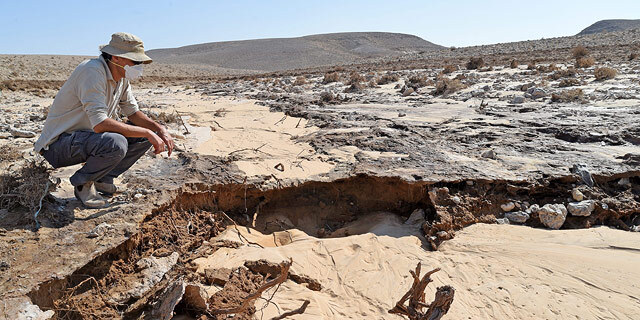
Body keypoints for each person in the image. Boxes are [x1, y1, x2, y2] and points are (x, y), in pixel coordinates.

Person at [34, 32, 174, 208]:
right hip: (59, 146)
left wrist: (158, 129)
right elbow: (100, 124)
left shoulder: (121, 79)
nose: (138, 67)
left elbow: (133, 113)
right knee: (116, 142)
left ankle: (104, 179)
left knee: (145, 134)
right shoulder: (92, 71)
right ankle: (83, 183)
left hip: (85, 139)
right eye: (135, 62)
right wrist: (147, 131)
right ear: (116, 57)